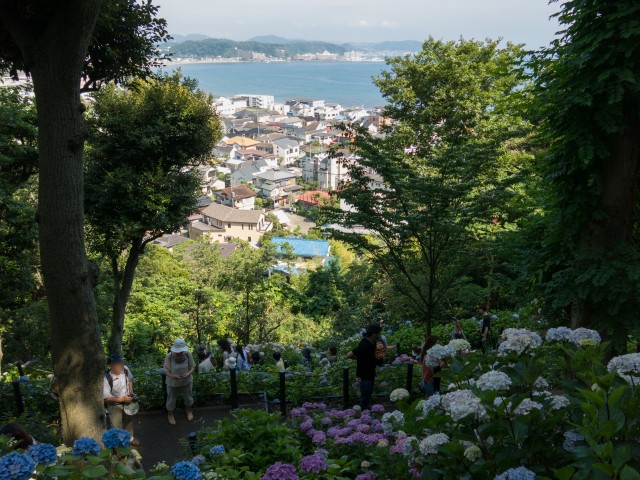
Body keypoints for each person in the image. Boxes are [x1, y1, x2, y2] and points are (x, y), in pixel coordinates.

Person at [103, 354, 140, 446]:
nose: (121, 365)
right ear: (110, 366)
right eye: (117, 364)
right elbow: (106, 399)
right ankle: (118, 443)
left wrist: (131, 391)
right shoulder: (106, 378)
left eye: (121, 363)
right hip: (114, 403)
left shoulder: (126, 369)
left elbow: (130, 379)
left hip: (127, 400)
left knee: (128, 420)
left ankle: (130, 438)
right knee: (116, 424)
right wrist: (121, 399)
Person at [347, 323, 381, 410]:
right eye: (378, 333)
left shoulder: (372, 342)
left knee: (368, 394)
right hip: (365, 374)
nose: (379, 335)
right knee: (365, 395)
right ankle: (363, 414)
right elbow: (349, 355)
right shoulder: (364, 344)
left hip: (371, 373)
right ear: (374, 333)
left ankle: (366, 412)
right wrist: (359, 358)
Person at [163, 338, 195, 425]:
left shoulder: (188, 354)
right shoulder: (169, 356)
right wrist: (173, 376)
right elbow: (166, 371)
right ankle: (170, 415)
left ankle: (189, 411)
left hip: (187, 380)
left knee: (188, 397)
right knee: (171, 399)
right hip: (172, 382)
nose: (180, 352)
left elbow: (192, 367)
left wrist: (188, 374)